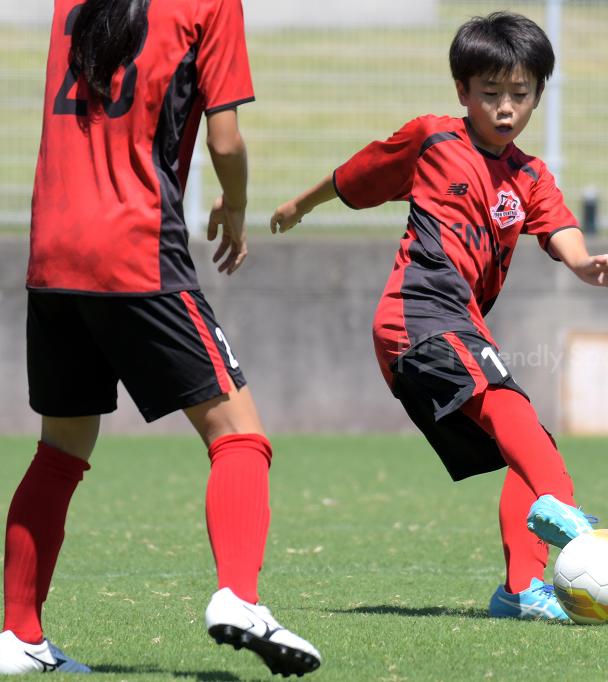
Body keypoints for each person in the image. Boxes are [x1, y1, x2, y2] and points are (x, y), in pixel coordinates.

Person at [271, 11, 608, 621]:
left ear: (539, 94)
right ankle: (569, 519)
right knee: (525, 433)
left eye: (520, 94)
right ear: (463, 92)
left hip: (456, 324)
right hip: (418, 314)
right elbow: (357, 173)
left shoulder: (531, 176)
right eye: (490, 94)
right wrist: (299, 205)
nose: (505, 107)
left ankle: (521, 591)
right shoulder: (433, 139)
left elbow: (560, 229)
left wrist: (584, 263)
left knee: (529, 445)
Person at [0, 0, 321, 675]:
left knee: (59, 451)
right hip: (134, 248)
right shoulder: (209, 4)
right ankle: (239, 595)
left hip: (52, 251)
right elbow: (226, 141)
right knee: (240, 436)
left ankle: (18, 635)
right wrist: (234, 206)